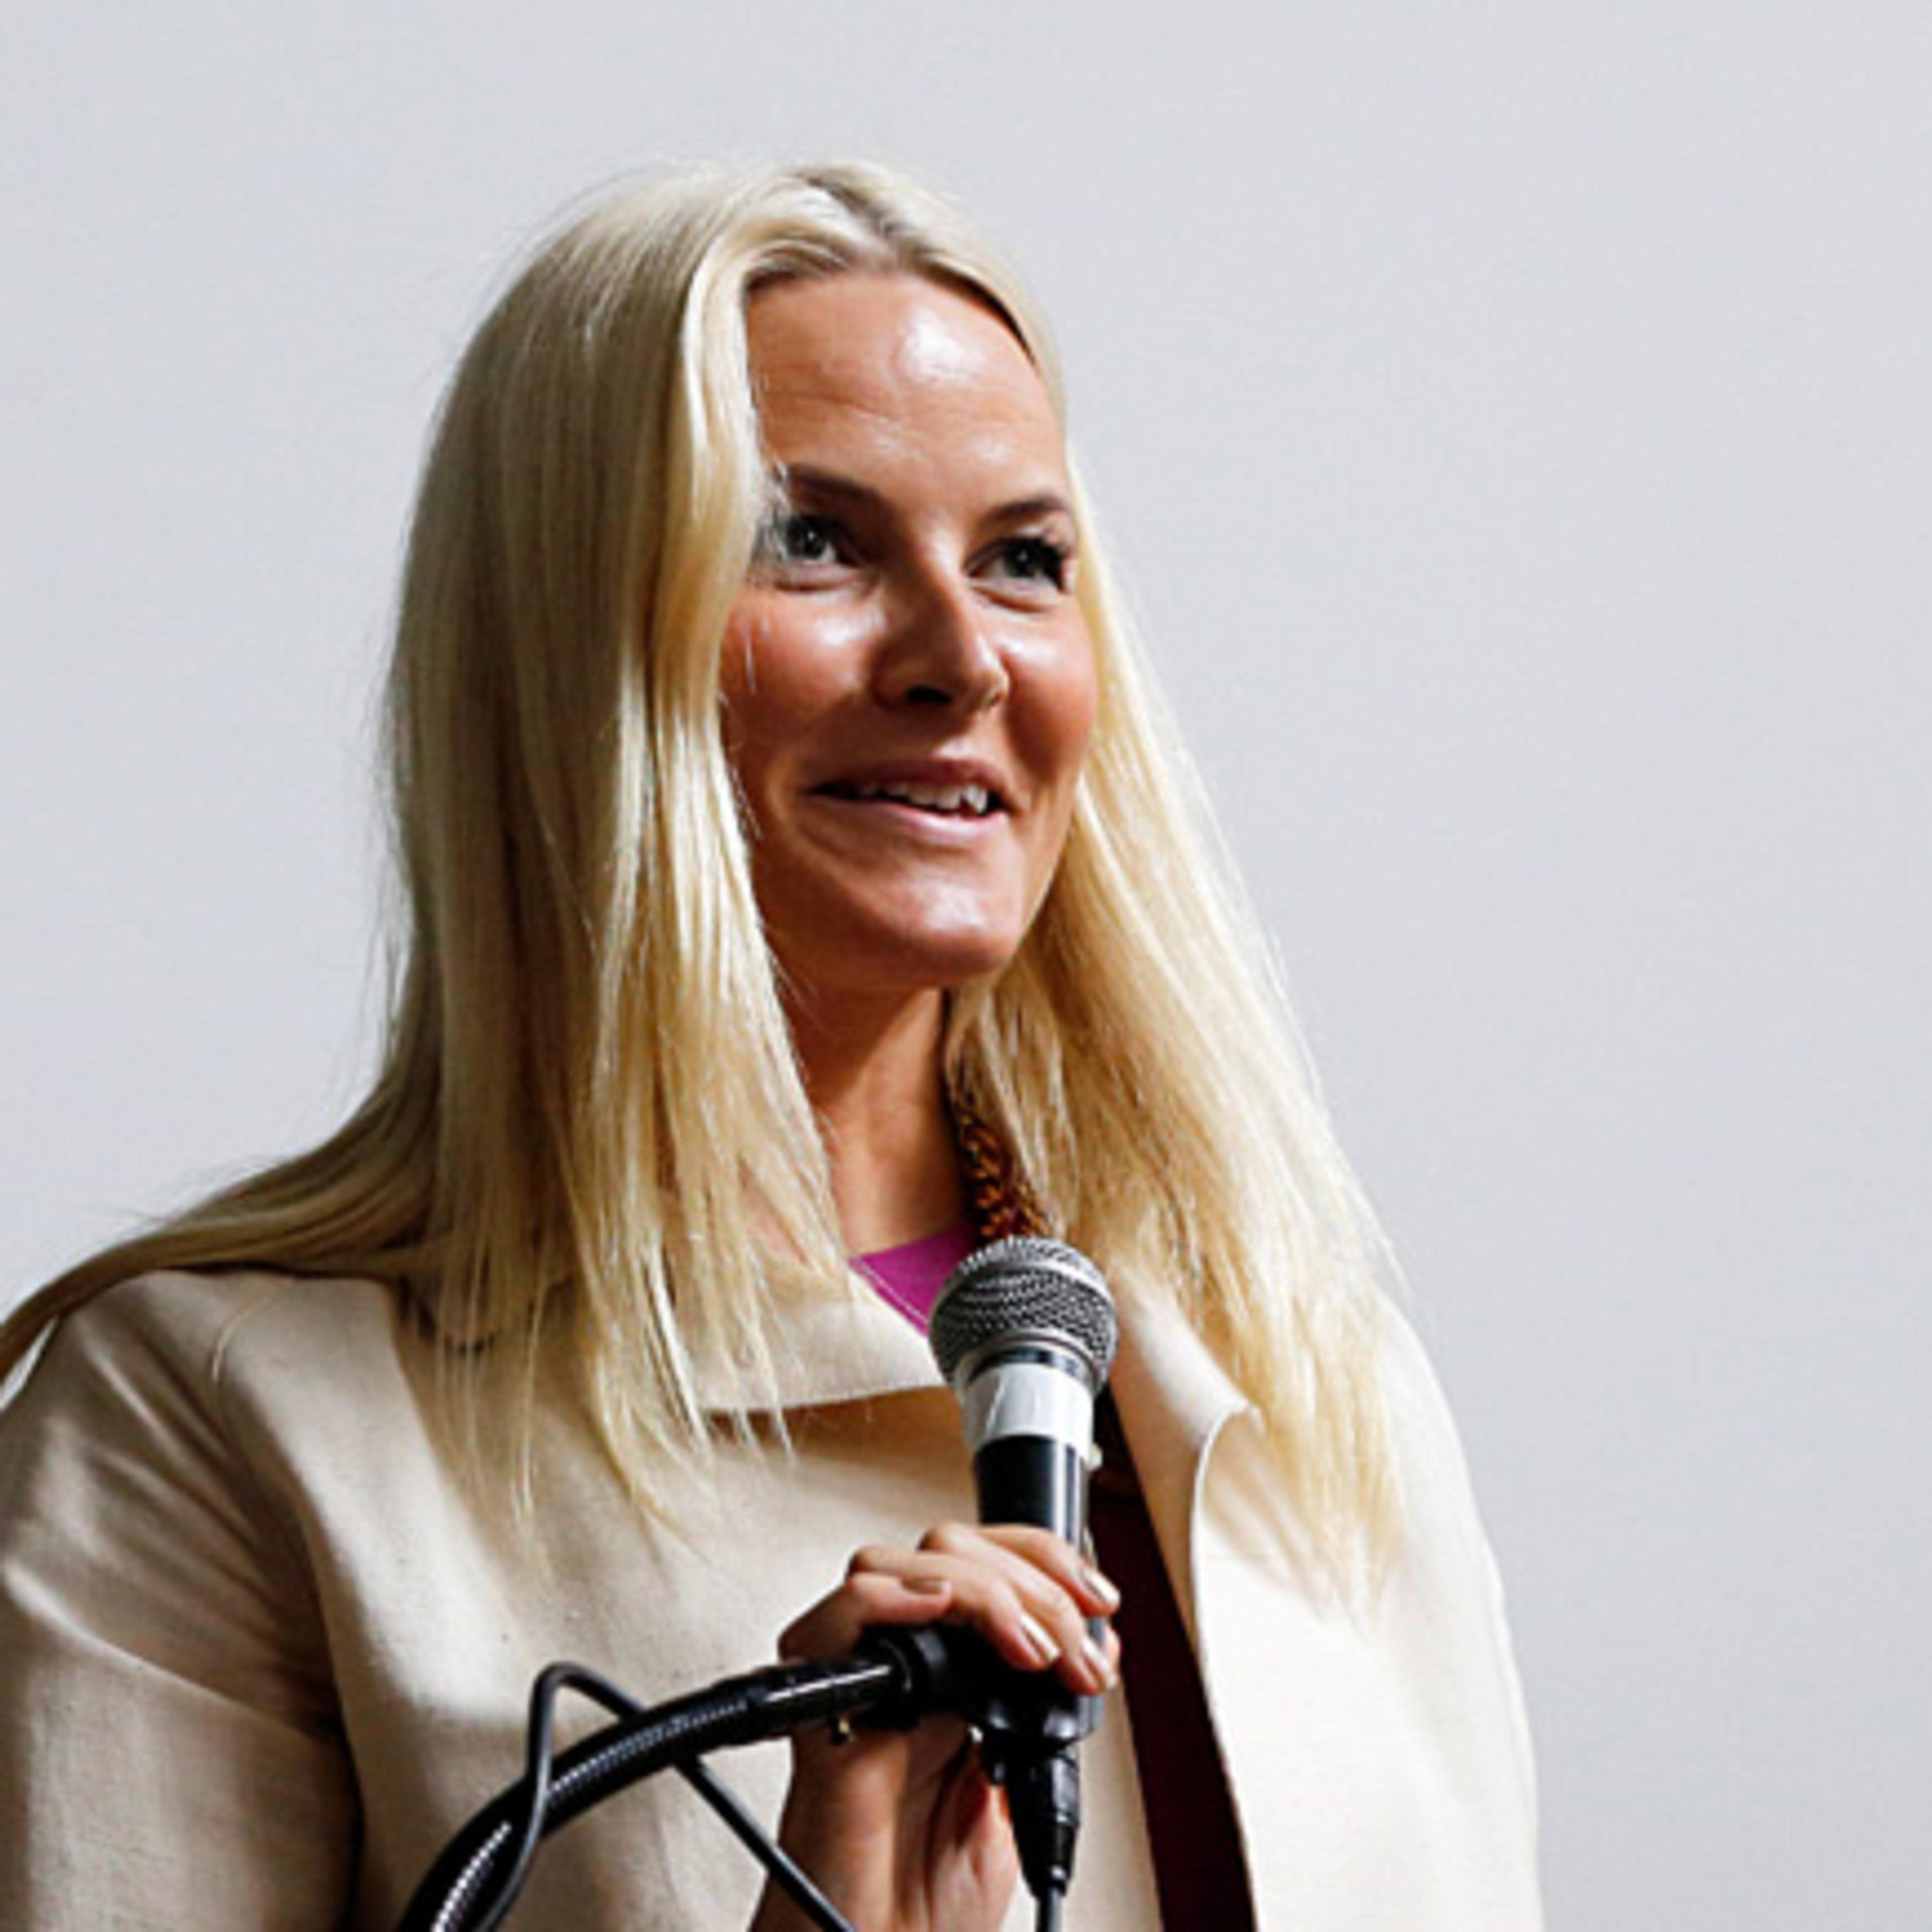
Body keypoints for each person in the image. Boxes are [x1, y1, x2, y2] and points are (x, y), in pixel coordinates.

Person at [0, 162, 1541, 1928]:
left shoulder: (1304, 1377)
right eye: (812, 540)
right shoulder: (211, 1424)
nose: (963, 659)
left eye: (1023, 560)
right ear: (566, 644)